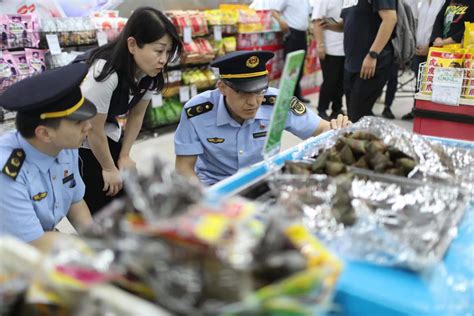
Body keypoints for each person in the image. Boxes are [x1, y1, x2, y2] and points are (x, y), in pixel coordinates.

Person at [174, 51, 351, 185]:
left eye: (259, 92)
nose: (253, 102)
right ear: (222, 87)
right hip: (216, 186)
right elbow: (184, 168)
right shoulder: (197, 112)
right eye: (243, 93)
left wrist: (336, 128)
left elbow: (320, 129)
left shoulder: (278, 102)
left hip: (265, 181)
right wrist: (206, 198)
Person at [78, 7, 182, 214]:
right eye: (159, 50)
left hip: (105, 128)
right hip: (76, 134)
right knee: (100, 194)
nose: (164, 59)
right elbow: (91, 128)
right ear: (132, 45)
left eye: (168, 51)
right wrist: (108, 168)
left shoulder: (150, 74)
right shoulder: (105, 73)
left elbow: (137, 115)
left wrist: (124, 155)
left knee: (124, 191)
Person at [0, 63, 97, 250]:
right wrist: (84, 247)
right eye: (78, 122)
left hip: (43, 240)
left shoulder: (64, 145)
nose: (88, 127)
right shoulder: (7, 173)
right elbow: (34, 243)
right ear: (44, 133)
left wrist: (99, 241)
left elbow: (75, 202)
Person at [322, 0, 397, 122]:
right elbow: (349, 22)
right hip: (352, 63)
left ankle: (367, 139)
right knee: (353, 114)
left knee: (358, 114)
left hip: (372, 63)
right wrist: (329, 25)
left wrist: (372, 54)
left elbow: (390, 19)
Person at [254, 0, 312, 103]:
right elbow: (273, 11)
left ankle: (297, 94)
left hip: (303, 34)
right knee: (291, 66)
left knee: (299, 65)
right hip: (292, 33)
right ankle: (289, 97)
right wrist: (281, 22)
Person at [402, 0, 445, 120]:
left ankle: (425, 113)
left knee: (429, 83)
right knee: (418, 82)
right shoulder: (423, 3)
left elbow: (440, 26)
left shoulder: (441, 2)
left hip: (433, 49)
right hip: (418, 48)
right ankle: (416, 109)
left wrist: (429, 45)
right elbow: (416, 23)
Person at [311, 0, 345, 120]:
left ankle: (337, 108)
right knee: (330, 80)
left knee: (341, 82)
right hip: (330, 48)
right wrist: (320, 44)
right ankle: (322, 109)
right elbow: (316, 22)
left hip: (346, 48)